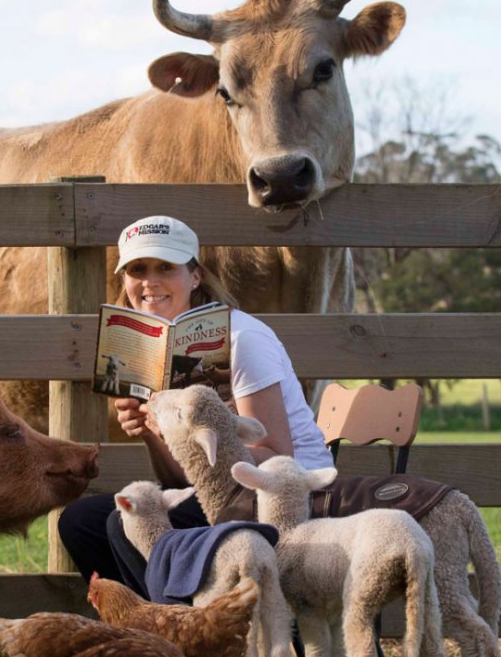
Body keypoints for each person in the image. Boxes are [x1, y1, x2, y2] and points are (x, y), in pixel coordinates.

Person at [58, 215, 334, 595]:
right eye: (137, 269)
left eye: (166, 267)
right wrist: (152, 434)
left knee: (124, 523)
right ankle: (148, 632)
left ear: (195, 276)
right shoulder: (152, 350)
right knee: (79, 521)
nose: (149, 282)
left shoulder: (242, 338)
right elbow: (180, 479)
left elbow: (275, 453)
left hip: (282, 489)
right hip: (215, 488)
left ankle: (183, 634)